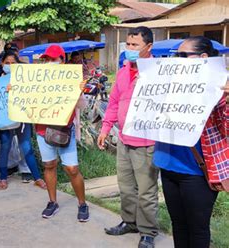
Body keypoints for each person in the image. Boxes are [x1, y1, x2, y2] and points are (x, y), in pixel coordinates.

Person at [153, 36, 227, 248]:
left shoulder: (219, 88)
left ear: (203, 58)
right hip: (167, 164)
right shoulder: (168, 83)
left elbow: (226, 129)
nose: (177, 60)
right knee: (179, 225)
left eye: (183, 56)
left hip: (196, 170)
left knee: (197, 228)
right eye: (176, 56)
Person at [96, 26, 158, 248]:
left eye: (135, 45)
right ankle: (129, 222)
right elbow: (113, 103)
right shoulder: (123, 71)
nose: (130, 49)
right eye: (128, 45)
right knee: (126, 187)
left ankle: (148, 231)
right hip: (123, 139)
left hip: (147, 142)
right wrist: (105, 130)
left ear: (148, 47)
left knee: (146, 191)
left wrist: (149, 81)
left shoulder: (158, 73)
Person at [36, 45, 89, 222]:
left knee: (72, 168)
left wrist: (79, 90)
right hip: (42, 129)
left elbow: (82, 106)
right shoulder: (35, 79)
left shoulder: (71, 79)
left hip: (64, 130)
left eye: (54, 59)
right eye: (47, 59)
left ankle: (82, 203)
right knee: (49, 165)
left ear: (62, 60)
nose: (50, 63)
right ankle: (52, 202)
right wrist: (15, 90)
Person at [0, 52, 47, 190]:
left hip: (22, 120)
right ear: (2, 64)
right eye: (7, 63)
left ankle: (37, 177)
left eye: (13, 63)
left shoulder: (24, 79)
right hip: (5, 120)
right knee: (5, 148)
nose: (10, 65)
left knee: (27, 148)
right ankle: (3, 178)